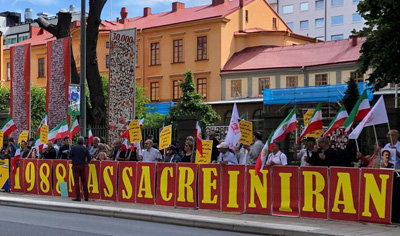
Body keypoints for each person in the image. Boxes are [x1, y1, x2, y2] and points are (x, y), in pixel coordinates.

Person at [69, 136, 91, 201]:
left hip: (75, 165)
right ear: (83, 141)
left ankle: (78, 197)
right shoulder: (85, 149)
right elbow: (89, 157)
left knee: (76, 181)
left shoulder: (73, 148)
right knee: (84, 181)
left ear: (77, 141)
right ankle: (86, 196)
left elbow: (70, 156)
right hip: (82, 165)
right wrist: (86, 163)